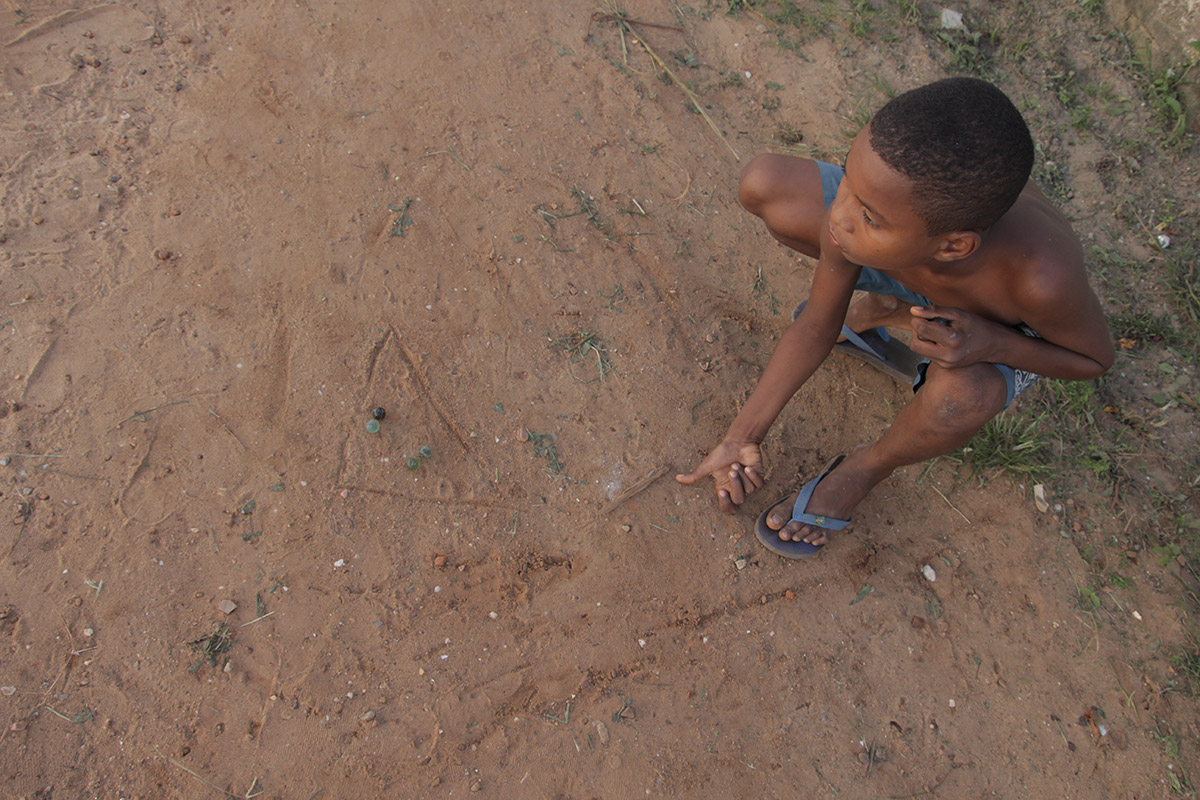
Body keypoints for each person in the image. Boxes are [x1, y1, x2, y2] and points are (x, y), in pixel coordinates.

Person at [675, 77, 1113, 559]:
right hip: (914, 260)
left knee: (963, 398)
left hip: (993, 323)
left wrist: (992, 343)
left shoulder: (1039, 279)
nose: (839, 215)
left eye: (869, 215)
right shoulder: (861, 218)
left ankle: (864, 470)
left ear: (954, 246)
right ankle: (892, 308)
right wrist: (742, 436)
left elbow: (1092, 360)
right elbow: (819, 322)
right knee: (766, 185)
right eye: (847, 181)